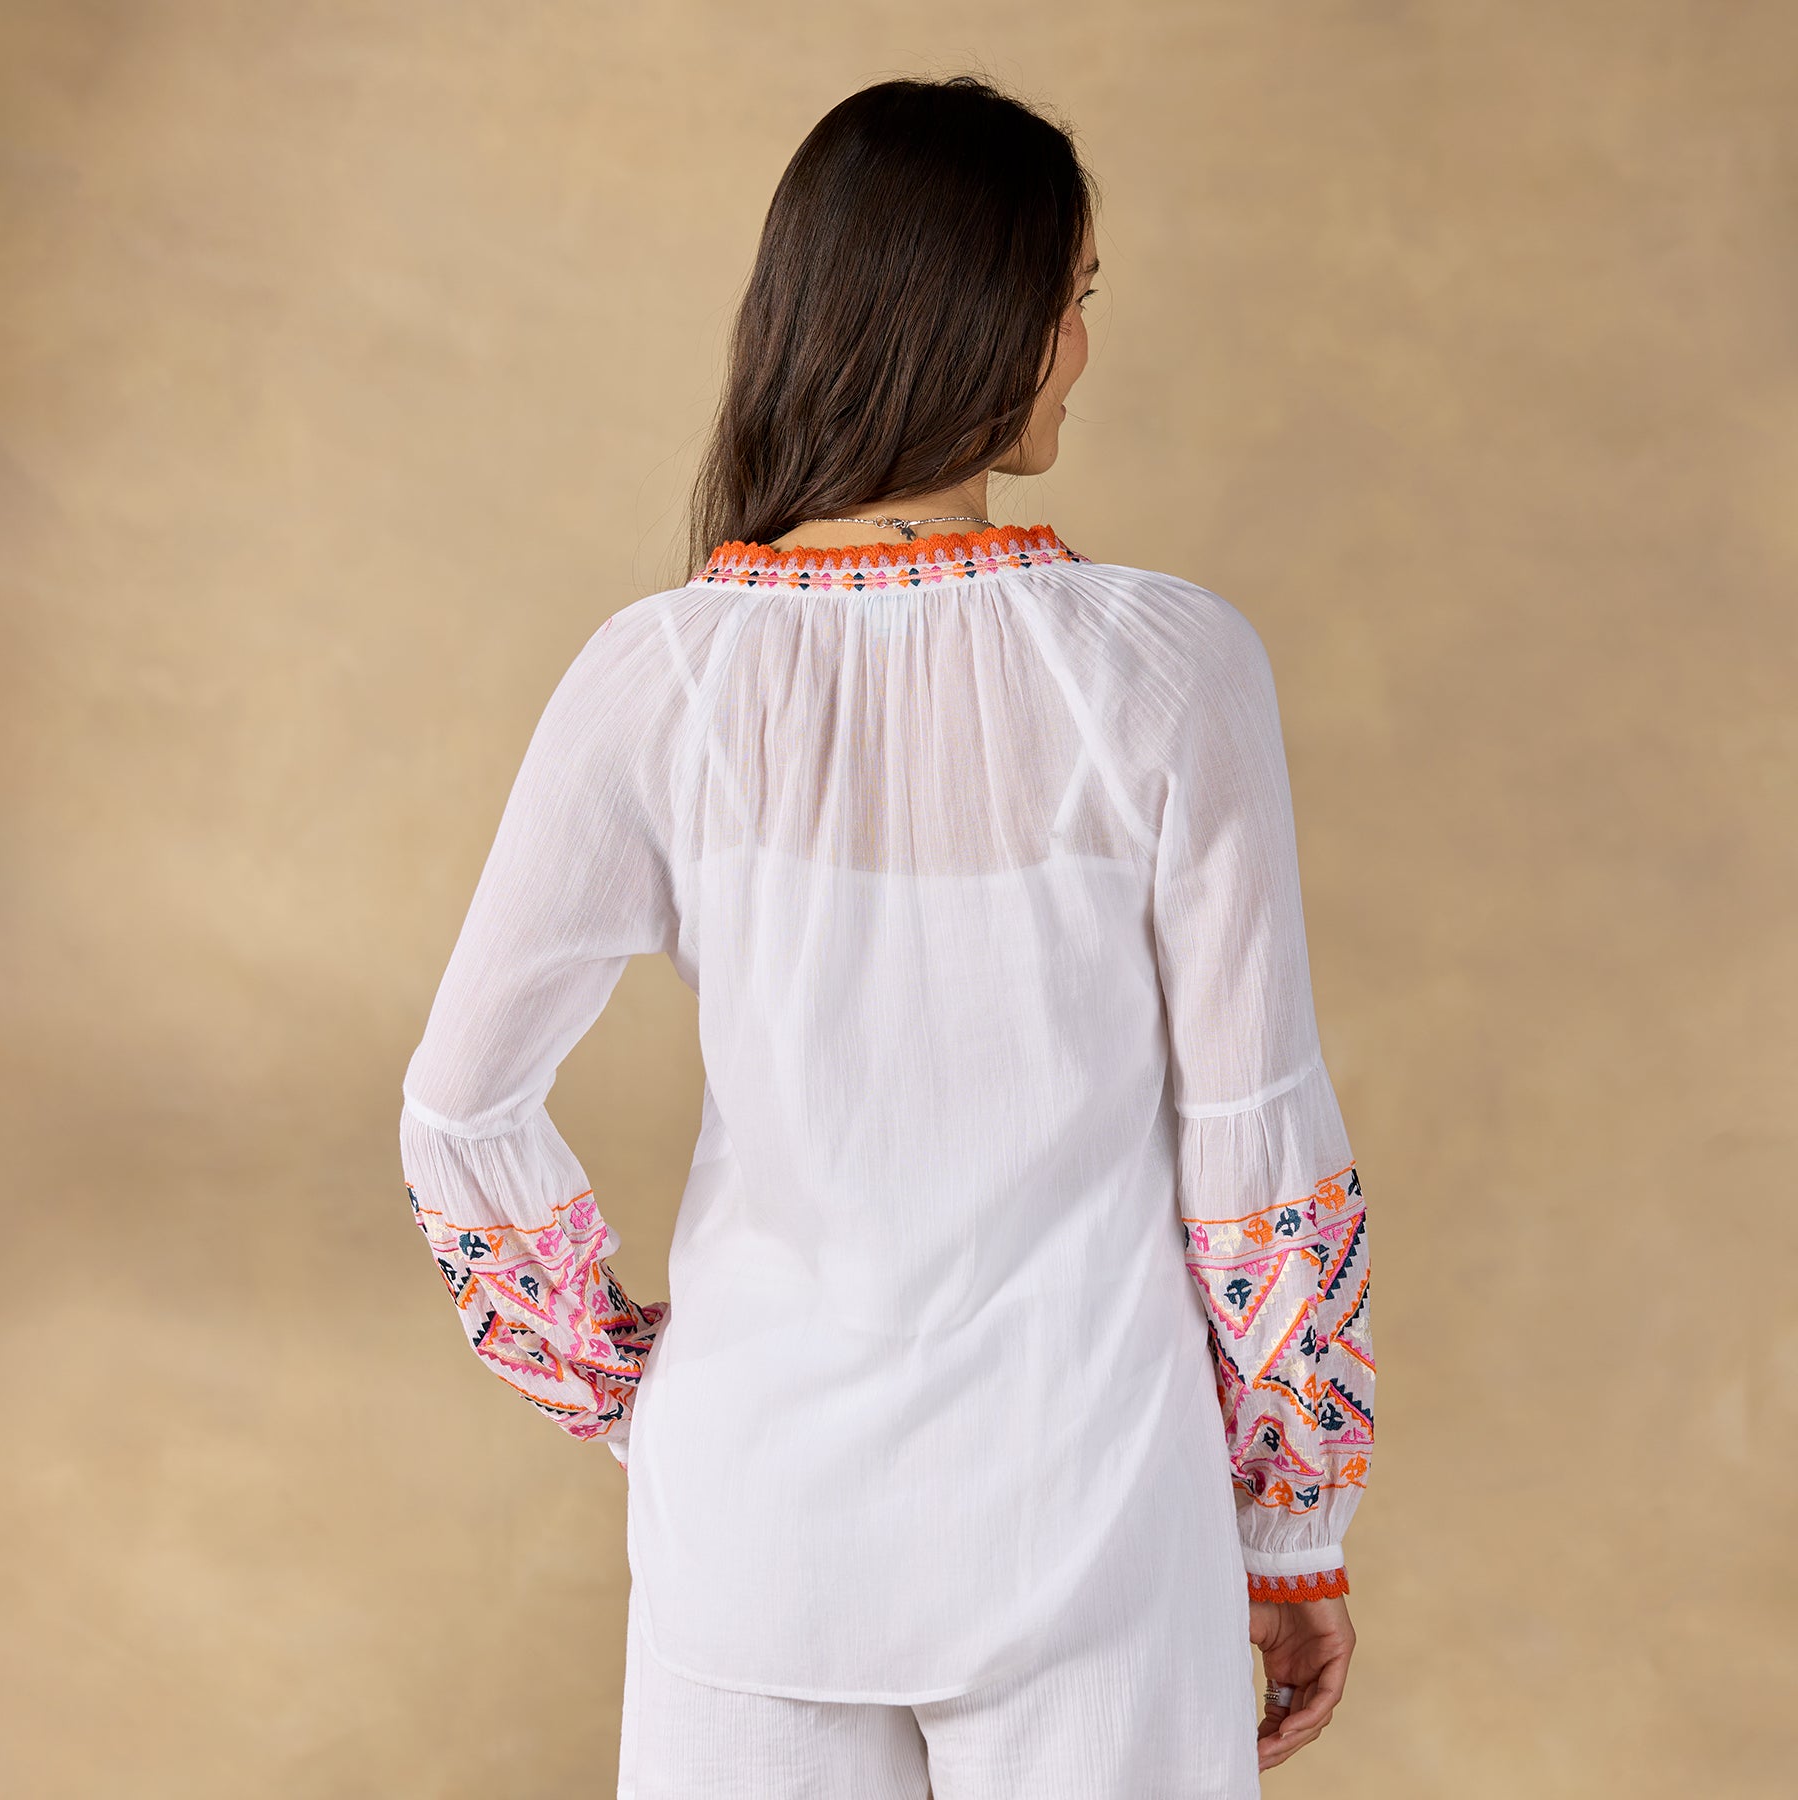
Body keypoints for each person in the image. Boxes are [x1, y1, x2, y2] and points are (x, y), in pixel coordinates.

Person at [399, 73, 1374, 1800]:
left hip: (752, 1525)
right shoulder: (1168, 672)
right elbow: (1260, 1154)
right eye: (1073, 297)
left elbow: (461, 1112)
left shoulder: (658, 679)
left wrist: (634, 1393)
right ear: (983, 319)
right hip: (1090, 1521)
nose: (1082, 348)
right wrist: (1291, 1531)